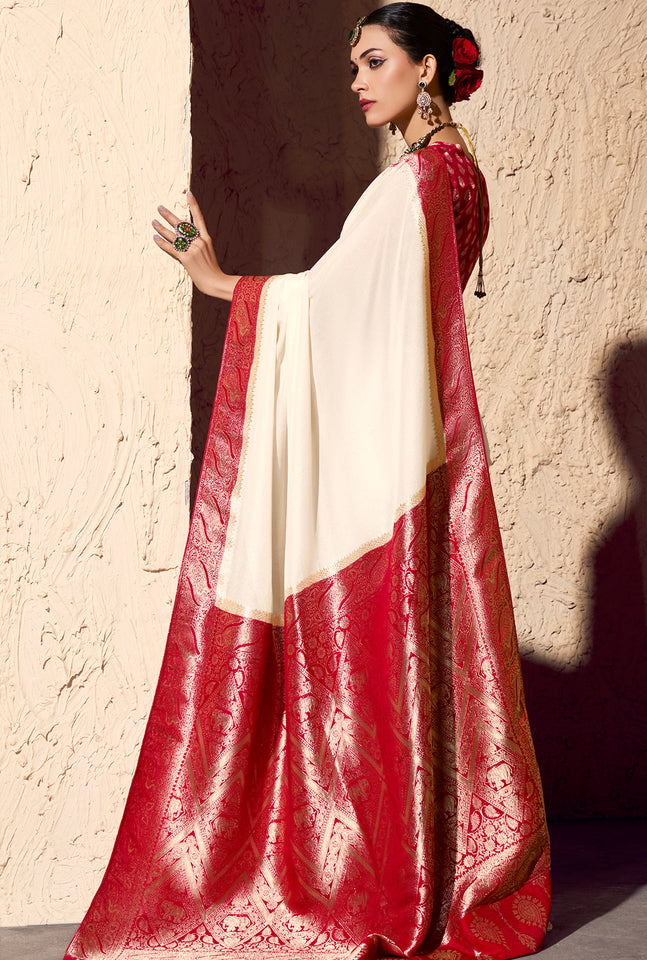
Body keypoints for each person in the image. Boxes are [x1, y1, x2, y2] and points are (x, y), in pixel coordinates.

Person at [64, 5, 550, 960]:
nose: (359, 80)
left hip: (378, 466)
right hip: (406, 447)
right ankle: (429, 860)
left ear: (427, 70)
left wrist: (220, 283)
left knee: (351, 662)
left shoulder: (416, 182)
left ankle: (366, 877)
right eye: (354, 64)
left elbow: (332, 305)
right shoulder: (463, 177)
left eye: (376, 61)